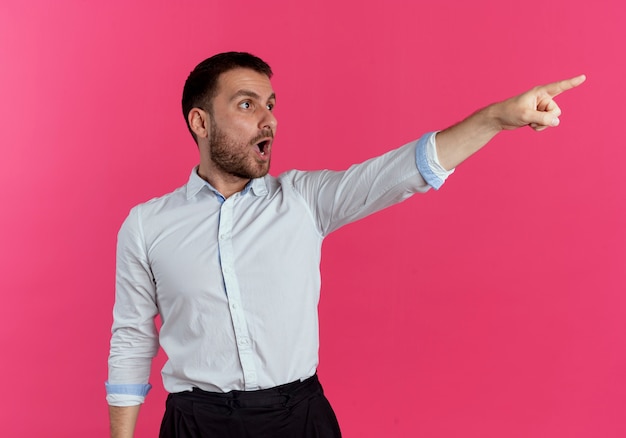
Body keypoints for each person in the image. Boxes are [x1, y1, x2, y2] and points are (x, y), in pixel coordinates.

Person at [106, 51, 585, 438]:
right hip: (196, 422)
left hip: (298, 417)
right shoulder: (147, 226)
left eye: (272, 105)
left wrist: (498, 119)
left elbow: (403, 171)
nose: (268, 120)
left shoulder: (303, 200)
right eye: (248, 104)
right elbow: (131, 337)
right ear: (201, 122)